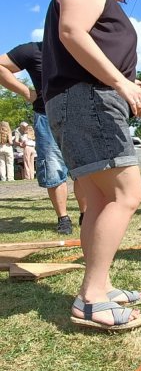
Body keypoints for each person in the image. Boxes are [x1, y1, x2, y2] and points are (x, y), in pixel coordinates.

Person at [42, 0, 141, 330]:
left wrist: (128, 84)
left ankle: (100, 286)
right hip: (87, 99)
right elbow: (72, 31)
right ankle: (90, 298)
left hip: (83, 99)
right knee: (128, 194)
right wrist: (121, 83)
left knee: (102, 197)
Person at [0, 42, 87, 233]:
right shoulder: (33, 50)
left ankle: (85, 215)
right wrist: (26, 92)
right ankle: (63, 218)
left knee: (84, 169)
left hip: (79, 115)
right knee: (54, 169)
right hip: (46, 116)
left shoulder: (82, 46)